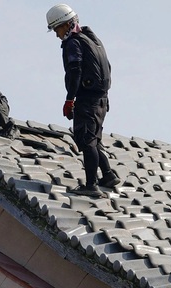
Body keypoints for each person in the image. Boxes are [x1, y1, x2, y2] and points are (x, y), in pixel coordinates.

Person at [46, 4, 119, 198]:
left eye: (57, 29)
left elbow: (75, 71)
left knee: (86, 141)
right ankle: (109, 175)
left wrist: (70, 99)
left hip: (88, 100)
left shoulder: (74, 43)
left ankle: (91, 185)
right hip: (102, 100)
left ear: (66, 24)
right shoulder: (92, 39)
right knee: (94, 140)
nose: (57, 35)